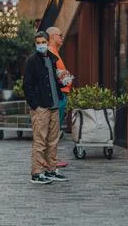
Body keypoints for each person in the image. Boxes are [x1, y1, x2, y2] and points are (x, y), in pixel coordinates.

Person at [23, 31, 68, 184]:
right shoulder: (32, 61)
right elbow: (27, 86)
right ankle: (36, 173)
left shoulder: (52, 59)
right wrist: (35, 105)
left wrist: (63, 81)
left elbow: (53, 81)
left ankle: (51, 169)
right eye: (38, 42)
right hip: (41, 107)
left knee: (53, 140)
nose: (41, 45)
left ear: (48, 42)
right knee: (40, 141)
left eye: (43, 42)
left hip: (54, 104)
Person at [46, 26, 73, 168]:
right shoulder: (50, 53)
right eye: (60, 35)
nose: (62, 38)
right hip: (58, 95)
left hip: (62, 93)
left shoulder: (55, 52)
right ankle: (51, 159)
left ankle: (52, 158)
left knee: (55, 129)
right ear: (52, 37)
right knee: (54, 129)